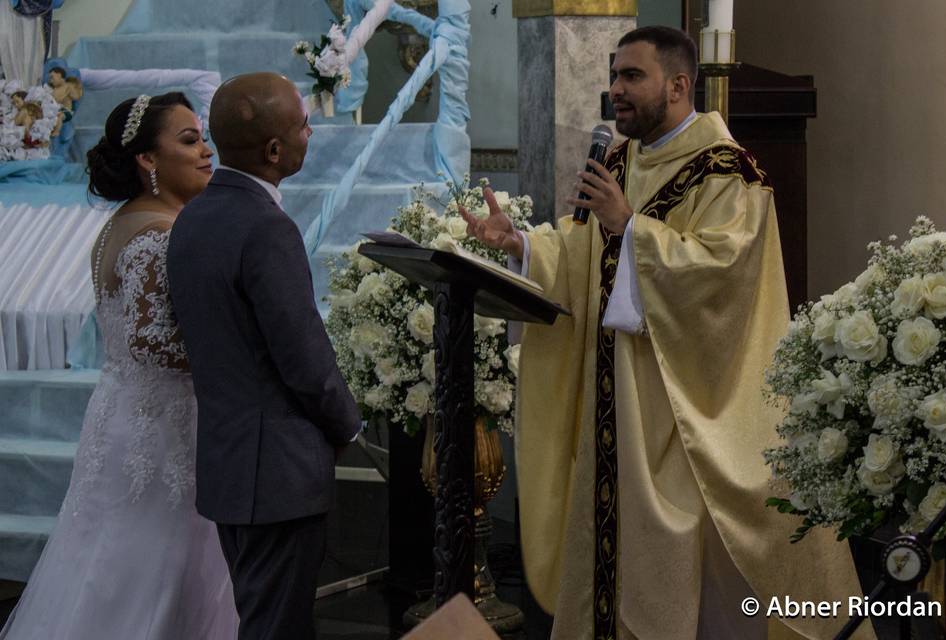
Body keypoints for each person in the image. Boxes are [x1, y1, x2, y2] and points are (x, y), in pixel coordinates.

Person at [461, 26, 871, 640]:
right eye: (614, 75)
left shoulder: (729, 173)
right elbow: (581, 251)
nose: (615, 91)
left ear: (679, 85)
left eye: (632, 77)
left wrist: (631, 227)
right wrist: (519, 243)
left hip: (687, 410)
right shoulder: (623, 160)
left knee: (698, 581)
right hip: (616, 405)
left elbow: (723, 277)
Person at [0, 93, 238, 639]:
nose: (206, 151)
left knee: (105, 557)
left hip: (124, 414)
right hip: (163, 430)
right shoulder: (160, 233)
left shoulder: (120, 223)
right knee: (153, 564)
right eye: (189, 140)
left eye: (203, 138)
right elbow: (153, 341)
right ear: (147, 161)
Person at [167, 72, 362, 640]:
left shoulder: (193, 218)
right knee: (277, 627)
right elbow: (302, 358)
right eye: (303, 125)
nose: (310, 133)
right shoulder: (266, 227)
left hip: (231, 463)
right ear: (275, 150)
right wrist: (347, 422)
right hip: (277, 474)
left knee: (260, 617)